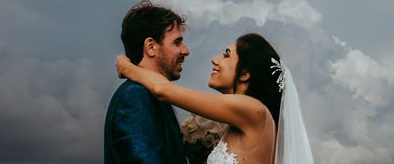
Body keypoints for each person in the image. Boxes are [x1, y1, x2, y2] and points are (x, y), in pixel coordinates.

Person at [117, 33, 314, 164]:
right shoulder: (243, 119)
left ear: (244, 74)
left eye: (226, 55)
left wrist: (126, 66)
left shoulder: (253, 110)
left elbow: (162, 89)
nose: (215, 59)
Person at [104, 0, 190, 164]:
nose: (186, 50)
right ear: (151, 46)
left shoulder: (152, 95)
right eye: (177, 42)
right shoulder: (135, 96)